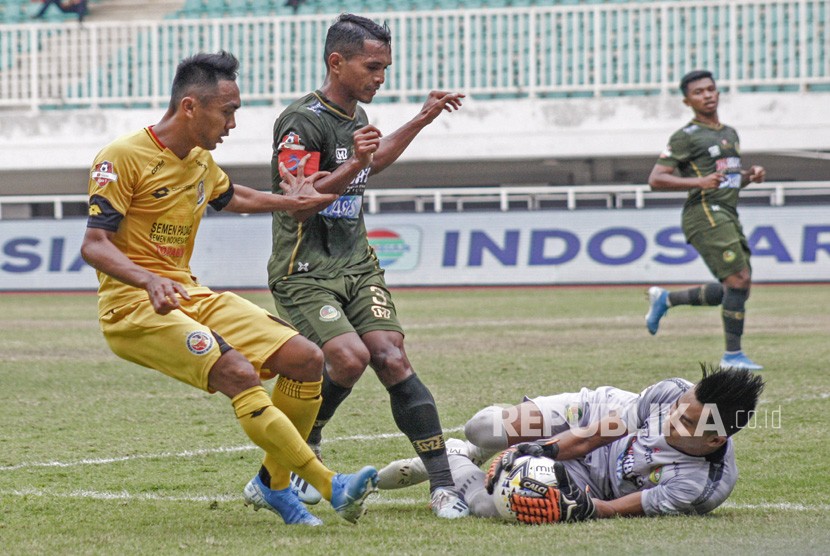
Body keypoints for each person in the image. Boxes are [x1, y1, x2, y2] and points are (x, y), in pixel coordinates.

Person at [80, 51, 378, 527]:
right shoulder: (122, 157)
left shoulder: (198, 160)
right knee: (238, 371)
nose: (234, 123)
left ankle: (272, 485)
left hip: (188, 294)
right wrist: (148, 278)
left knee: (305, 359)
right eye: (228, 111)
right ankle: (329, 484)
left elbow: (231, 195)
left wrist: (293, 199)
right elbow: (95, 246)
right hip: (133, 306)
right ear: (191, 107)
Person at [266, 13, 468, 519]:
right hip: (305, 269)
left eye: (386, 68)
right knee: (349, 358)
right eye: (373, 67)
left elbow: (372, 162)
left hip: (357, 262)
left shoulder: (356, 119)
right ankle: (300, 454)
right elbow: (302, 197)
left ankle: (443, 486)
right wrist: (354, 163)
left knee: (391, 356)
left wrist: (421, 119)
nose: (381, 77)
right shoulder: (300, 121)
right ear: (337, 62)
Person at [376, 365, 765, 523]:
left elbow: (611, 508)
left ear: (715, 437)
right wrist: (546, 449)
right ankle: (473, 448)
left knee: (490, 507)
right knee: (483, 428)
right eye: (680, 406)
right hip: (588, 414)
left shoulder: (700, 486)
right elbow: (597, 433)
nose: (672, 417)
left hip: (597, 483)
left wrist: (568, 505)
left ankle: (454, 459)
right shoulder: (671, 394)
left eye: (685, 419)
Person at [645, 69, 767, 371]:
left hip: (727, 213)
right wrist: (699, 183)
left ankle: (666, 300)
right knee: (738, 279)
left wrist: (751, 177)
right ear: (687, 101)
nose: (707, 95)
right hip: (703, 213)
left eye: (710, 89)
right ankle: (732, 357)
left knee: (737, 289)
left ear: (718, 92)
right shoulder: (686, 137)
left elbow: (728, 181)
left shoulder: (729, 133)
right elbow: (656, 179)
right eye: (699, 92)